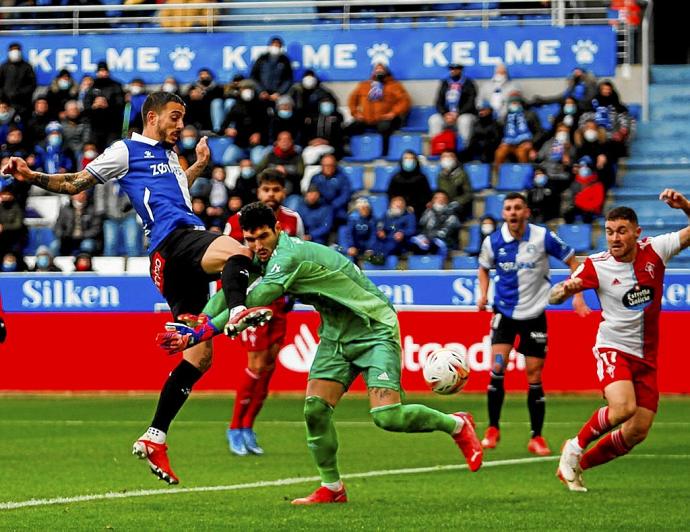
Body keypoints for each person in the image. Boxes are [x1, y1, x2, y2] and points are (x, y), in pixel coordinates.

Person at [1, 91, 272, 485]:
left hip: (170, 262)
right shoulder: (126, 150)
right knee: (239, 253)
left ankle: (155, 435)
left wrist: (195, 166)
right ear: (151, 117)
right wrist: (32, 177)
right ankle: (236, 312)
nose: (181, 125)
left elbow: (176, 192)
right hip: (173, 243)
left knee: (199, 357)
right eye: (175, 117)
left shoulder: (170, 158)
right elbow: (77, 181)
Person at [159, 201, 484, 504]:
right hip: (335, 334)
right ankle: (332, 487)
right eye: (250, 239)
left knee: (387, 416)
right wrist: (199, 320)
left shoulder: (289, 257)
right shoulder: (261, 256)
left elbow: (254, 298)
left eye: (263, 236)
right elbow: (234, 292)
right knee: (315, 411)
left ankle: (456, 424)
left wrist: (200, 333)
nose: (258, 246)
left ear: (277, 229)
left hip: (374, 327)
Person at [551, 190, 690, 492]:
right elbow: (554, 294)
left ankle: (577, 466)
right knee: (624, 407)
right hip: (613, 347)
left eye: (621, 231)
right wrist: (564, 291)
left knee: (637, 431)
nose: (614, 238)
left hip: (647, 356)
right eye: (609, 232)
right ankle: (573, 447)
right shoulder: (596, 264)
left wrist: (686, 207)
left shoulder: (656, 249)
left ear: (637, 233)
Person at [476, 192, 590, 455]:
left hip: (535, 313)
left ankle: (536, 436)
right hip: (504, 313)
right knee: (497, 367)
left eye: (518, 208)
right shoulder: (492, 241)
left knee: (534, 376)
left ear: (526, 212)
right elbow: (483, 267)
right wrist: (482, 294)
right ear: (503, 214)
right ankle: (492, 428)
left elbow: (575, 263)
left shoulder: (543, 237)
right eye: (508, 209)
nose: (513, 212)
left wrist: (578, 296)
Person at [223, 169, 304, 456]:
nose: (271, 194)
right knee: (256, 364)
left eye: (277, 190)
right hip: (255, 299)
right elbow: (227, 262)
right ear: (258, 191)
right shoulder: (236, 222)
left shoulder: (293, 220)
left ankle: (248, 426)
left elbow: (300, 255)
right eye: (266, 189)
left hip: (281, 302)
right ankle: (235, 426)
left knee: (268, 367)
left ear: (284, 192)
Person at [346, 63, 411, 154]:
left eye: (381, 69)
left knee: (384, 128)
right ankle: (349, 151)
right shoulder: (364, 85)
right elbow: (352, 99)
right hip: (366, 119)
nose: (379, 71)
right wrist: (355, 113)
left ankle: (384, 153)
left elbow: (405, 101)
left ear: (386, 71)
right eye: (376, 69)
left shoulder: (394, 85)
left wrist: (393, 113)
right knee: (349, 128)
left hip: (384, 119)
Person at [428, 63, 477, 147]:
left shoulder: (469, 83)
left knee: (464, 121)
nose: (453, 71)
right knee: (434, 119)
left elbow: (471, 103)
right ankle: (437, 147)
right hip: (447, 116)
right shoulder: (445, 83)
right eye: (451, 69)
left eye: (456, 69)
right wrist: (445, 114)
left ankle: (464, 147)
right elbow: (439, 102)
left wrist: (458, 114)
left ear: (460, 70)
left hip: (463, 114)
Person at [387, 150, 432, 220]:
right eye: (406, 158)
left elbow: (426, 197)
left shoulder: (422, 178)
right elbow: (391, 196)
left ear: (416, 161)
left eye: (411, 158)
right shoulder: (396, 178)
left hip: (419, 213)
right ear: (402, 161)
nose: (408, 160)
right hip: (398, 211)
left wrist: (415, 208)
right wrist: (403, 207)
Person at [0, 43, 37, 121]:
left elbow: (32, 84)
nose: (15, 52)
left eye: (17, 50)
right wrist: (3, 98)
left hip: (24, 104)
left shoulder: (27, 67)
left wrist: (20, 93)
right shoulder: (4, 67)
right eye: (13, 50)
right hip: (7, 104)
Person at [250, 36, 293, 102]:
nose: (275, 47)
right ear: (269, 46)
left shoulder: (285, 60)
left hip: (278, 96)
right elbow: (254, 76)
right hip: (262, 95)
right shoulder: (262, 59)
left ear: (281, 47)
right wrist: (261, 91)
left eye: (278, 45)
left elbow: (288, 79)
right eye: (274, 45)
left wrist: (279, 93)